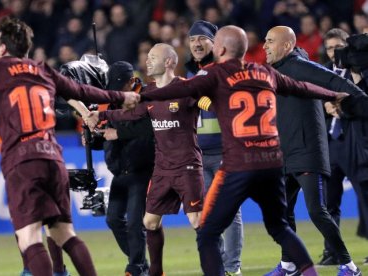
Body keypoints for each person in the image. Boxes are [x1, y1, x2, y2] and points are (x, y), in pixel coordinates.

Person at [110, 25, 349, 276]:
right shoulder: (264, 71)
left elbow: (178, 89)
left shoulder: (214, 74)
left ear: (220, 48)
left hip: (238, 163)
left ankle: (228, 270)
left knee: (208, 233)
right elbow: (302, 87)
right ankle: (310, 272)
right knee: (279, 227)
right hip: (271, 163)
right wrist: (332, 94)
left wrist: (141, 97)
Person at [0, 17, 139, 276]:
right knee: (65, 233)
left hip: (22, 160)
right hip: (53, 157)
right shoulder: (43, 70)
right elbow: (81, 91)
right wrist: (122, 96)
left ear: (4, 48)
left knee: (30, 236)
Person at [90, 43, 204, 276]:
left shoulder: (187, 89)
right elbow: (128, 114)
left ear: (170, 62)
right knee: (149, 222)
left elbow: (208, 100)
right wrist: (101, 114)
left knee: (197, 221)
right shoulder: (149, 94)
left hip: (187, 166)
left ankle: (216, 267)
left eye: (153, 57)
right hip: (162, 169)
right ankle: (155, 271)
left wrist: (212, 102)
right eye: (148, 57)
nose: (147, 61)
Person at [262, 26, 362, 276]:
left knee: (317, 211)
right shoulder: (274, 71)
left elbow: (334, 80)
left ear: (286, 46)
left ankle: (349, 265)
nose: (264, 46)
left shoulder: (298, 66)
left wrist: (361, 99)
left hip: (307, 151)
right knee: (281, 213)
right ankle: (289, 264)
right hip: (284, 154)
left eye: (270, 41)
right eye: (264, 41)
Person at [185, 20, 243, 276]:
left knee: (229, 211)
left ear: (215, 43)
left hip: (224, 152)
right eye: (192, 39)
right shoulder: (190, 73)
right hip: (199, 154)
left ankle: (232, 267)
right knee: (209, 214)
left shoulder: (223, 70)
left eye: (202, 39)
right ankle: (220, 265)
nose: (196, 43)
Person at [100, 61, 155, 276]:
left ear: (132, 81)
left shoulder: (146, 99)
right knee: (113, 219)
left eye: (119, 86)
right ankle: (141, 263)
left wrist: (118, 133)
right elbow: (108, 136)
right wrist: (94, 139)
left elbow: (149, 129)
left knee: (134, 222)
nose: (116, 91)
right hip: (120, 171)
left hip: (142, 170)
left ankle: (135, 267)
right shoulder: (113, 102)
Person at [319, 27, 350, 266]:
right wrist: (325, 107)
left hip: (356, 143)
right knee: (330, 202)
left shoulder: (359, 71)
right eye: (329, 48)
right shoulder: (321, 74)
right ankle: (332, 251)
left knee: (365, 199)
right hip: (331, 144)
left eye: (338, 47)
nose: (333, 52)